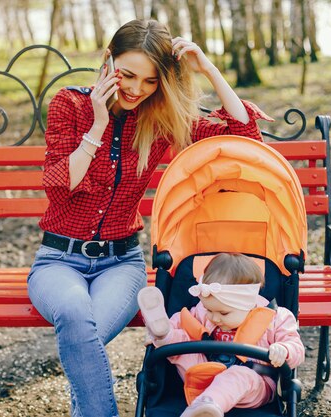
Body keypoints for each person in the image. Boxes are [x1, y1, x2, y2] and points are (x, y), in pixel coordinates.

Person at [27, 18, 272, 417]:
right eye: (127, 75)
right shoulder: (69, 105)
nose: (136, 89)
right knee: (74, 316)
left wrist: (207, 68)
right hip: (58, 260)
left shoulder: (160, 121)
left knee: (80, 334)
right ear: (108, 61)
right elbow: (59, 185)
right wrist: (98, 125)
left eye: (150, 81)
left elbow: (244, 139)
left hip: (121, 265)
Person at [137, 253, 305, 417]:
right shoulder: (203, 311)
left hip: (253, 383)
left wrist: (284, 350)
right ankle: (162, 334)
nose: (214, 317)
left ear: (248, 304)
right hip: (202, 373)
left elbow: (296, 349)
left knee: (240, 375)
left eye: (223, 313)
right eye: (209, 310)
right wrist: (166, 332)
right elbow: (181, 319)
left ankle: (206, 406)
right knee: (180, 345)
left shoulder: (277, 318)